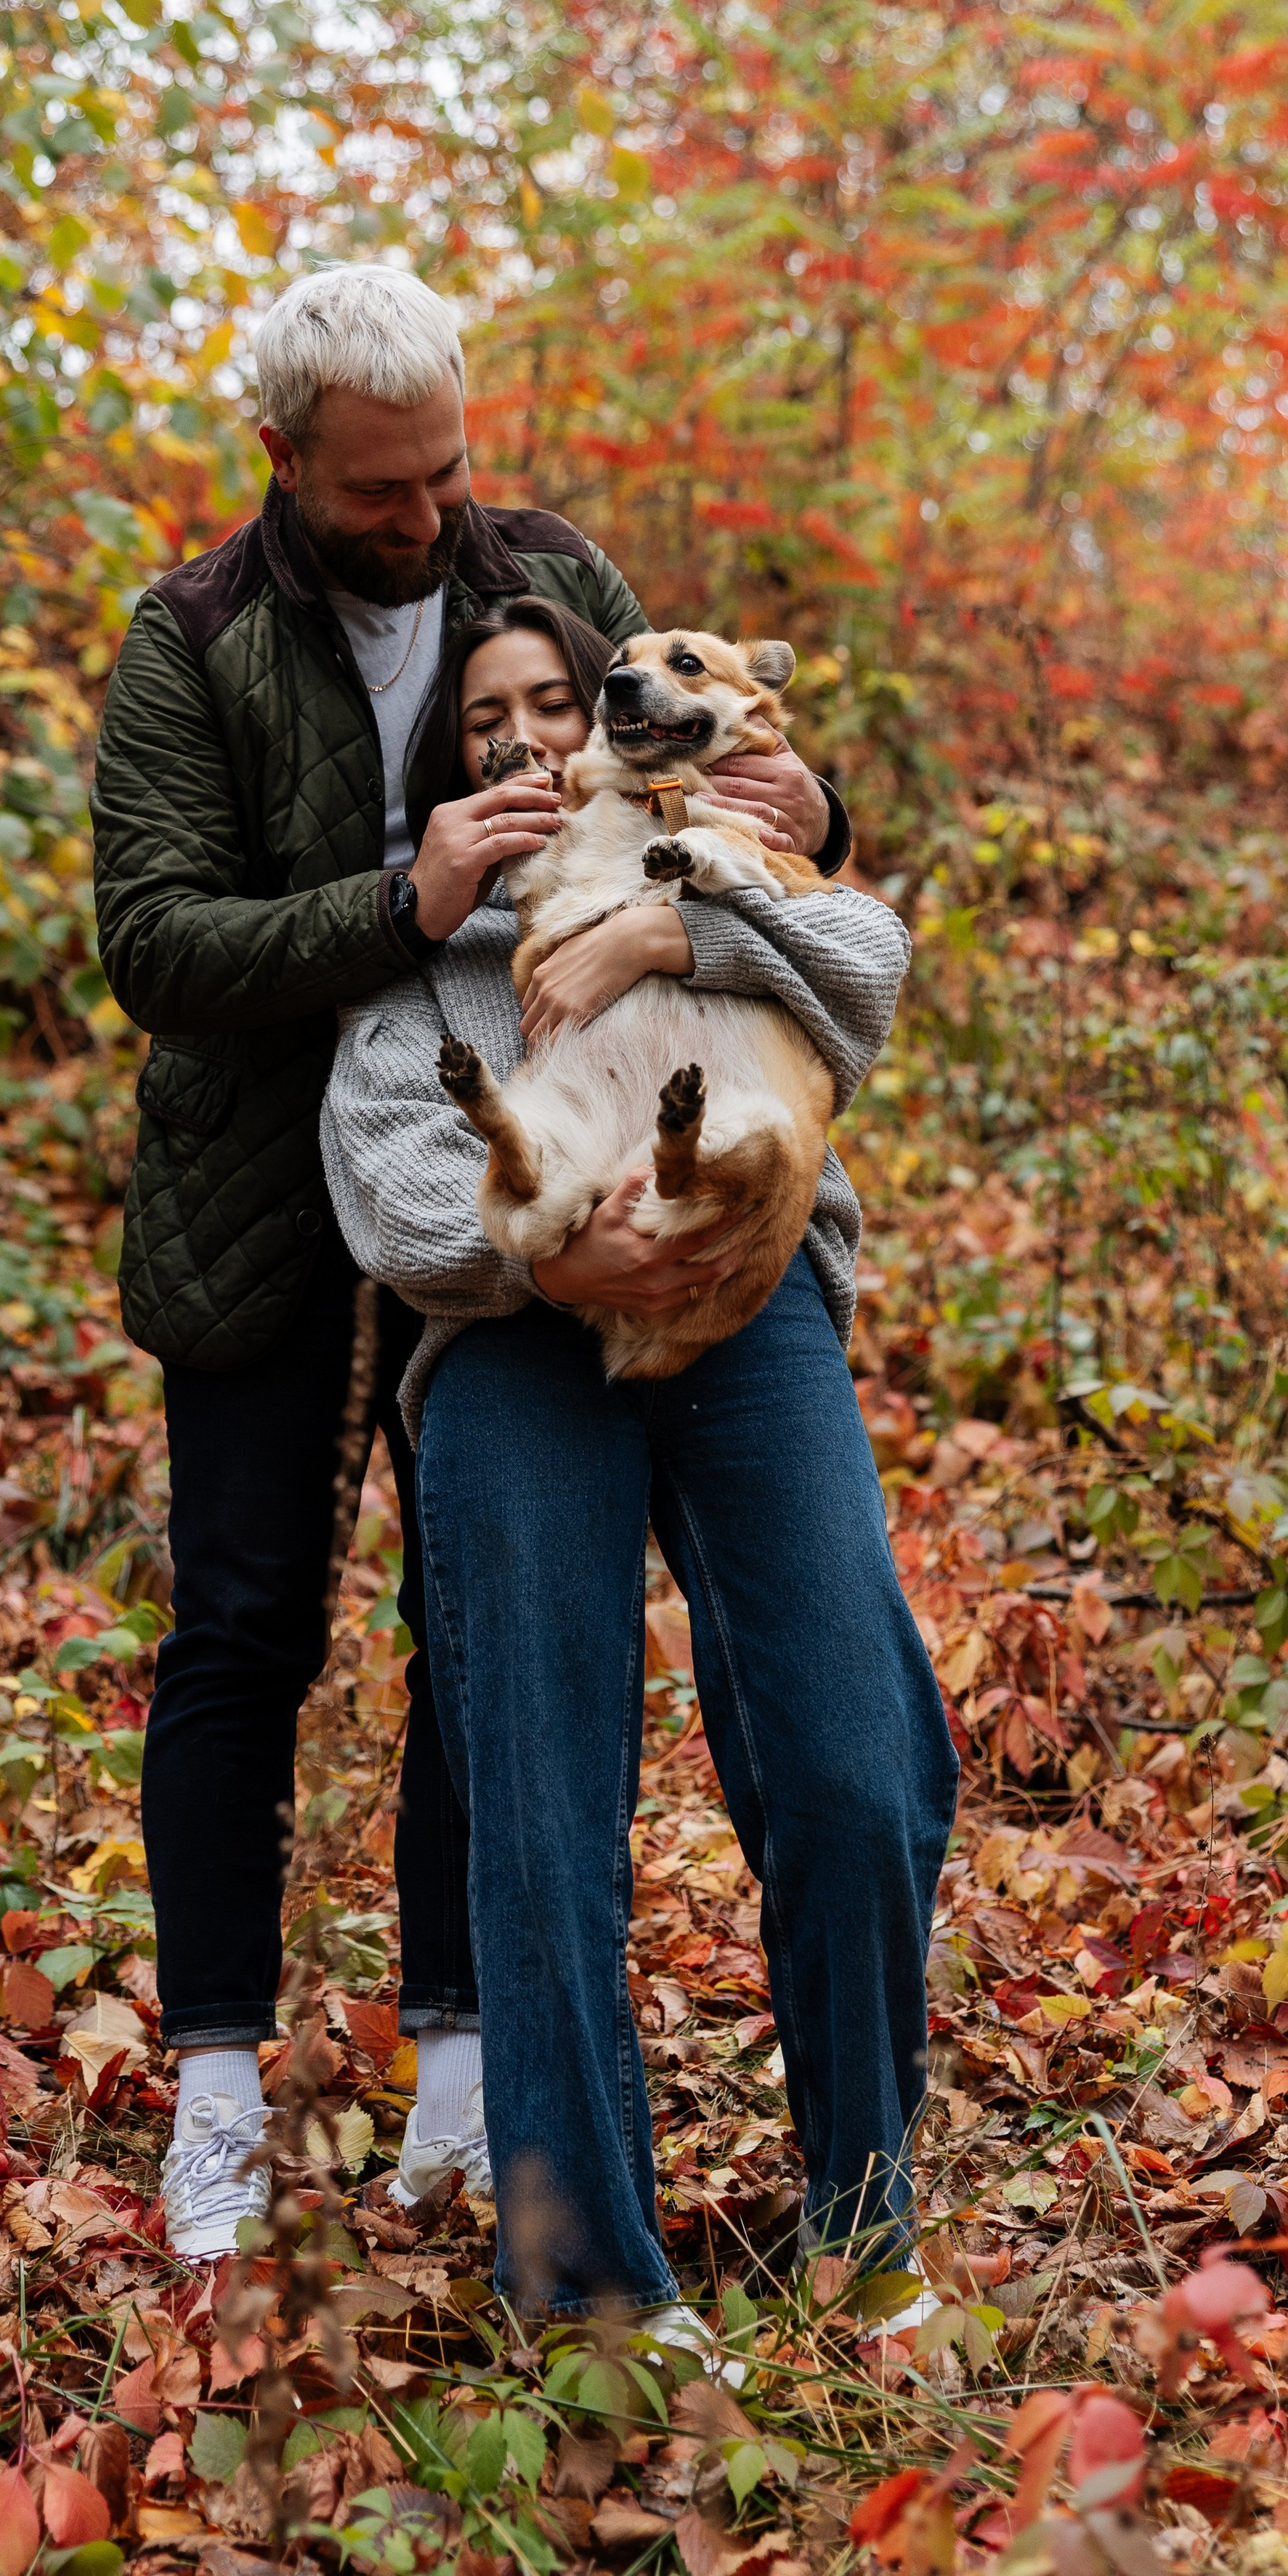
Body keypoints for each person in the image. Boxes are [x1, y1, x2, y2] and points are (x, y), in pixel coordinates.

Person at [90, 264, 840, 2261]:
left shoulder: (552, 570)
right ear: (285, 462)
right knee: (245, 1628)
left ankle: (457, 2067)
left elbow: (701, 767)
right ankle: (221, 2094)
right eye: (381, 491)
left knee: (475, 1626)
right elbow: (152, 943)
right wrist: (387, 894)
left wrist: (804, 802)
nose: (429, 519)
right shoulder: (196, 639)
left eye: (446, 472)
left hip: (513, 1167)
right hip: (270, 1194)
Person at [321, 599, 958, 2330]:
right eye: (485, 724)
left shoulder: (717, 844)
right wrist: (544, 1257)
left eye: (554, 702)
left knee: (854, 1755)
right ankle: (589, 2281)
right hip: (513, 1350)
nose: (532, 737)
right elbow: (384, 1185)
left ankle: (861, 2217)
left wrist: (667, 930)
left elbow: (867, 977)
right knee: (537, 1795)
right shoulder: (429, 947)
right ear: (446, 770)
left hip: (742, 1310)